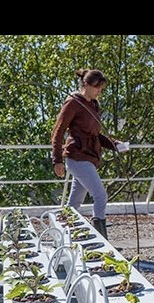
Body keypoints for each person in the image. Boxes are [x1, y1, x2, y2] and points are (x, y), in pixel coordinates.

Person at [51, 68, 123, 238]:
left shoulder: (94, 105)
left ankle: (62, 235)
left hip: (89, 158)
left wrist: (115, 145)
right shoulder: (73, 102)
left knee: (74, 203)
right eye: (97, 87)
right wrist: (57, 160)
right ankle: (102, 239)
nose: (100, 91)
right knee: (100, 196)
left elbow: (95, 135)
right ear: (86, 84)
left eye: (101, 88)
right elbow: (58, 131)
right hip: (77, 157)